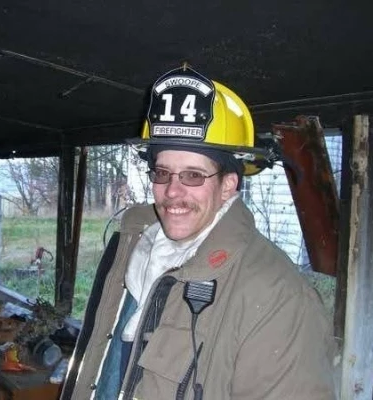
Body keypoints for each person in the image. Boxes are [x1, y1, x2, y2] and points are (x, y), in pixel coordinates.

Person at [60, 66, 336, 400]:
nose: (172, 192)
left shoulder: (279, 298)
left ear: (228, 185)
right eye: (162, 173)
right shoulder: (133, 248)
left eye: (193, 176)